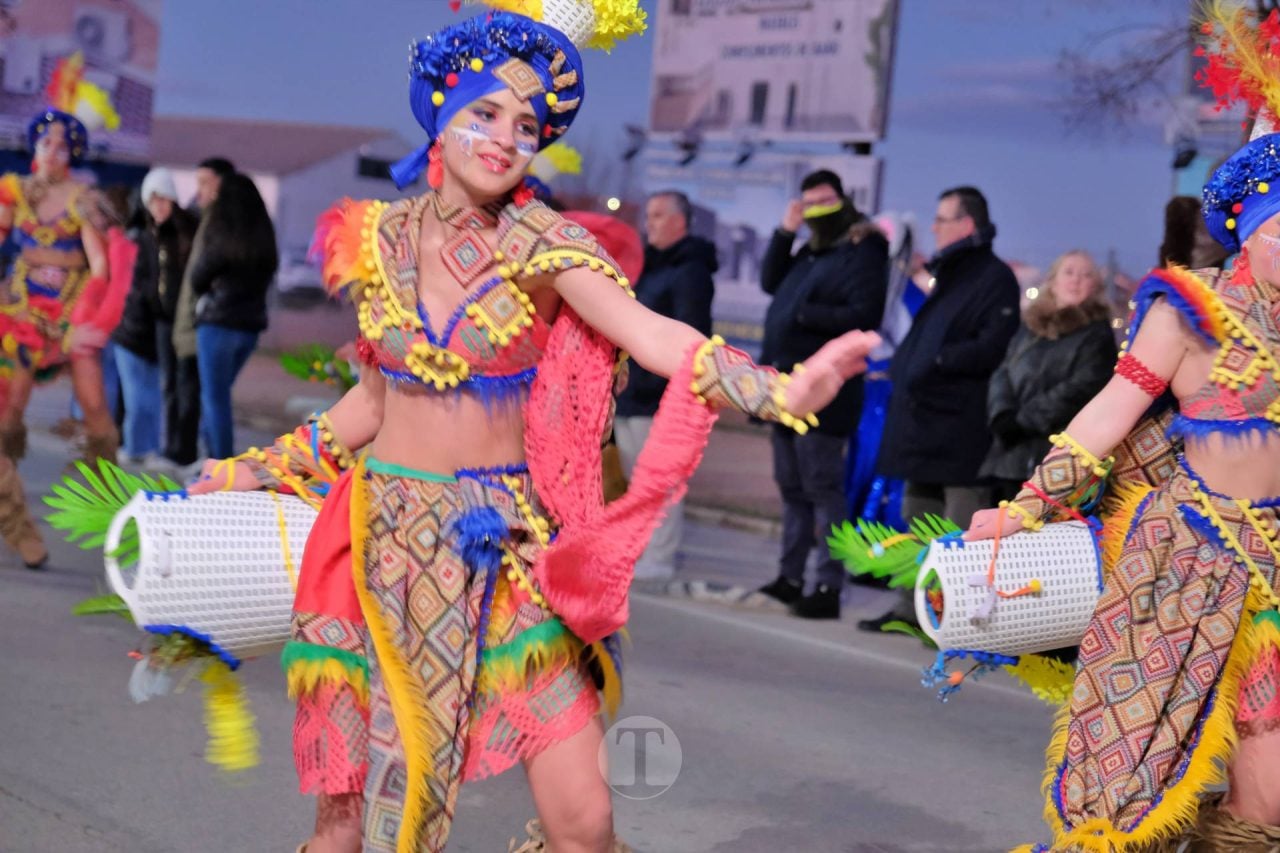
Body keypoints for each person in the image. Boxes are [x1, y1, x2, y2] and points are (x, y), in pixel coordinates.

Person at [187, 7, 877, 853]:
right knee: (354, 823)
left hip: (504, 553)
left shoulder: (544, 243)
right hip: (380, 549)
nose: (507, 139)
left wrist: (780, 389)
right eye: (486, 113)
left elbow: (649, 333)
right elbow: (371, 402)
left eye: (527, 125)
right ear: (442, 110)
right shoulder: (377, 237)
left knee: (584, 821)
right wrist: (255, 468)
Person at [971, 9, 1280, 848]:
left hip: (1275, 574)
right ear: (1249, 224)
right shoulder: (1188, 309)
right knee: (1125, 793)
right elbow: (1108, 413)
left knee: (1267, 801)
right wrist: (1026, 508)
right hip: (1183, 562)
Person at [859, 185, 1020, 632]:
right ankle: (910, 609)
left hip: (961, 428)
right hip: (924, 422)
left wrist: (937, 361)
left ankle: (953, 621)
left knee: (959, 530)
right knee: (915, 516)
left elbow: (993, 346)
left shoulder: (992, 278)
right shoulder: (952, 273)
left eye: (942, 219)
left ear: (966, 224)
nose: (933, 228)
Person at [755, 169, 889, 619]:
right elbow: (770, 280)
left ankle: (829, 586)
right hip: (786, 386)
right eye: (808, 203)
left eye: (824, 201)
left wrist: (802, 314)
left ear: (843, 200)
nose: (816, 211)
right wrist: (785, 231)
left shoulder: (862, 249)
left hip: (828, 392)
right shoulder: (810, 251)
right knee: (791, 486)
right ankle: (790, 577)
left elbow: (864, 314)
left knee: (822, 488)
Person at [0, 108, 118, 569]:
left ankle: (108, 502)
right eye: (45, 143)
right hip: (21, 314)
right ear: (34, 147)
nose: (52, 152)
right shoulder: (16, 192)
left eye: (62, 146)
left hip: (71, 314)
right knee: (10, 410)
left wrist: (82, 317)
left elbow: (101, 266)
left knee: (94, 408)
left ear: (73, 154)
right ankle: (11, 506)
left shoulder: (83, 199)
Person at [613, 190, 716, 580]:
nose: (649, 224)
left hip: (658, 398)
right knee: (636, 482)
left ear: (679, 221)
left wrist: (657, 384)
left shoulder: (690, 272)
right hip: (631, 393)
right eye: (648, 216)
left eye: (657, 216)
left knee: (661, 481)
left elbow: (690, 336)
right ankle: (641, 550)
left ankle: (661, 556)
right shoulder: (648, 266)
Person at [979, 250, 1117, 501]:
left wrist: (1023, 421)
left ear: (1095, 286)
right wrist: (1002, 413)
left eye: (1086, 274)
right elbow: (1004, 370)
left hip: (1055, 455)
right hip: (1009, 453)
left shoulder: (1097, 334)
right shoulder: (1030, 325)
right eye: (1069, 272)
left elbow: (1082, 386)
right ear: (1053, 281)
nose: (1076, 280)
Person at [184, 172, 278, 460]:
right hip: (249, 328)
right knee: (219, 395)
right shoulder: (264, 237)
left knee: (214, 398)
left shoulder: (223, 231)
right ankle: (213, 457)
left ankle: (219, 463)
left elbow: (198, 275)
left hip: (218, 324)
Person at [112, 168, 198, 467]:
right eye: (153, 200)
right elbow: (136, 285)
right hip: (138, 326)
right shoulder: (140, 237)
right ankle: (135, 445)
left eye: (164, 199)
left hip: (170, 324)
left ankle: (159, 447)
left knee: (164, 390)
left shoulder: (184, 233)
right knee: (138, 393)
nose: (159, 206)